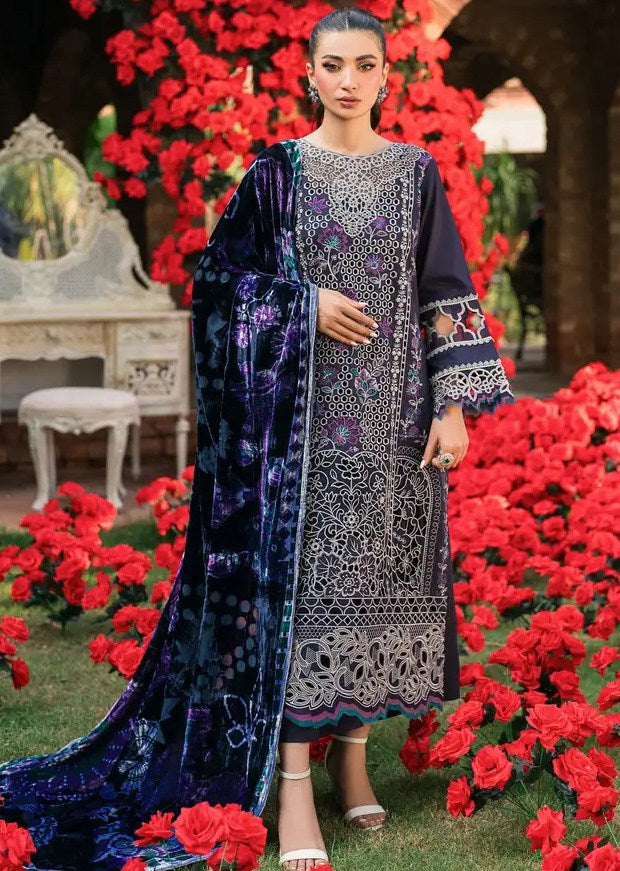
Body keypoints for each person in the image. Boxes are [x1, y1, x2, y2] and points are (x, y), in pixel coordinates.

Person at [0, 7, 514, 871]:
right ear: (309, 74)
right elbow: (218, 282)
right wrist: (301, 304)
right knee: (303, 600)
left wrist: (452, 406)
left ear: (386, 76)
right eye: (332, 65)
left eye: (364, 65)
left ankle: (353, 760)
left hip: (396, 428)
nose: (348, 80)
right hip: (297, 439)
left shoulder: (416, 172)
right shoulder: (278, 174)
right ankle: (296, 782)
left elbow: (445, 288)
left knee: (376, 583)